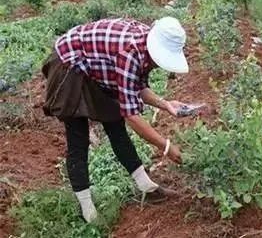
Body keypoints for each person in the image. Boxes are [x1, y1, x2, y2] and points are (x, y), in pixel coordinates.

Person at [42, 17, 190, 223]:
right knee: (79, 139)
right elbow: (132, 116)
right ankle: (88, 211)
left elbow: (136, 86)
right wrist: (165, 146)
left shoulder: (145, 42)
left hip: (95, 68)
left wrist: (165, 104)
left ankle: (146, 187)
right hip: (69, 64)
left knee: (115, 124)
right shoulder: (130, 53)